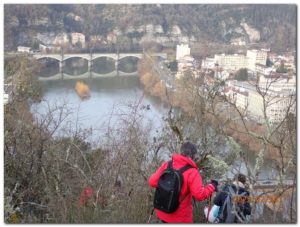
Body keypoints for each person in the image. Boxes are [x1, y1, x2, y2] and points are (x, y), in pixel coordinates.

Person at [148, 141, 218, 223]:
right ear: (193, 155)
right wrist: (212, 186)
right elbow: (199, 195)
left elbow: (152, 182)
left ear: (181, 151)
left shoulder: (168, 164)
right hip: (180, 218)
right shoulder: (192, 172)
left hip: (162, 212)